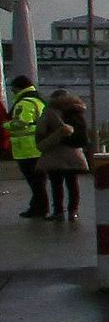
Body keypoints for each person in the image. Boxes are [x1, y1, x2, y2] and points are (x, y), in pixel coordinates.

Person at [35, 91, 90, 222]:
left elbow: (41, 131)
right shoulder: (77, 112)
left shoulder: (50, 111)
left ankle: (58, 212)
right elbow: (83, 136)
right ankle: (73, 211)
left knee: (56, 183)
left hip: (54, 152)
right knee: (72, 183)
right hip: (73, 152)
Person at [9, 75, 48, 218]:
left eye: (13, 87)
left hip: (27, 148)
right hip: (37, 146)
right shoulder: (38, 99)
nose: (11, 91)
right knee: (39, 181)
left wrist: (5, 126)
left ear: (19, 87)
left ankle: (39, 209)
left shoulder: (24, 103)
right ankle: (37, 206)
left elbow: (21, 123)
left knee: (35, 182)